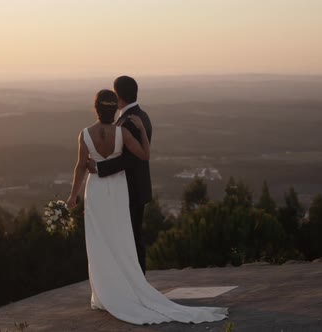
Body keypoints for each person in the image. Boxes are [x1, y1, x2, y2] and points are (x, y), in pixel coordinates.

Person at [66, 88, 228, 325]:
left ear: (96, 109)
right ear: (113, 109)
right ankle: (125, 287)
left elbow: (80, 166)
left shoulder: (84, 134)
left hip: (97, 192)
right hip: (118, 190)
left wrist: (73, 196)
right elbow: (144, 155)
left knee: (99, 240)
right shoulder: (122, 133)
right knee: (121, 237)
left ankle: (103, 294)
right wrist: (141, 130)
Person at [87, 76, 152, 273]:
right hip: (137, 188)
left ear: (118, 95)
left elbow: (132, 159)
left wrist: (99, 168)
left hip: (130, 189)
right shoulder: (141, 115)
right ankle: (137, 283)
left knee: (130, 239)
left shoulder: (128, 122)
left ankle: (137, 284)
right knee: (133, 238)